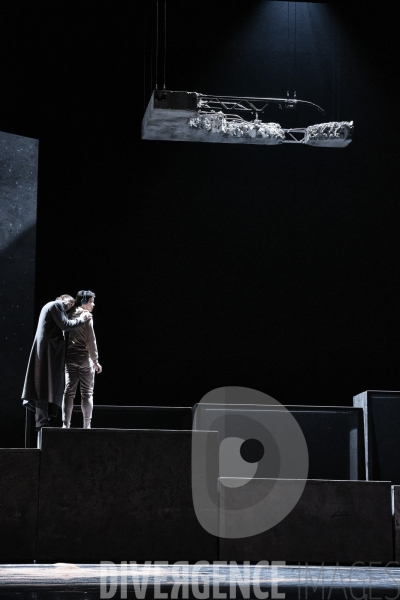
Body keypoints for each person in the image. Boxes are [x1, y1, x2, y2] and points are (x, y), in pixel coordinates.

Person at [22, 294, 92, 430]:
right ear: (62, 299)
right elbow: (65, 325)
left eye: (71, 305)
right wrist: (82, 319)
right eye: (69, 303)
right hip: (46, 351)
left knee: (42, 385)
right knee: (42, 385)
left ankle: (41, 421)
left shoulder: (51, 307)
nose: (69, 306)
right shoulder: (56, 305)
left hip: (45, 350)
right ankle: (41, 421)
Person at [62, 290, 102, 429]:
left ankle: (65, 425)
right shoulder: (87, 317)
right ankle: (86, 425)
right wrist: (95, 360)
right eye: (91, 301)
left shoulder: (69, 314)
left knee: (69, 392)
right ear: (84, 301)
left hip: (70, 357)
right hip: (85, 358)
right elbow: (91, 340)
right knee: (87, 393)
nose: (93, 304)